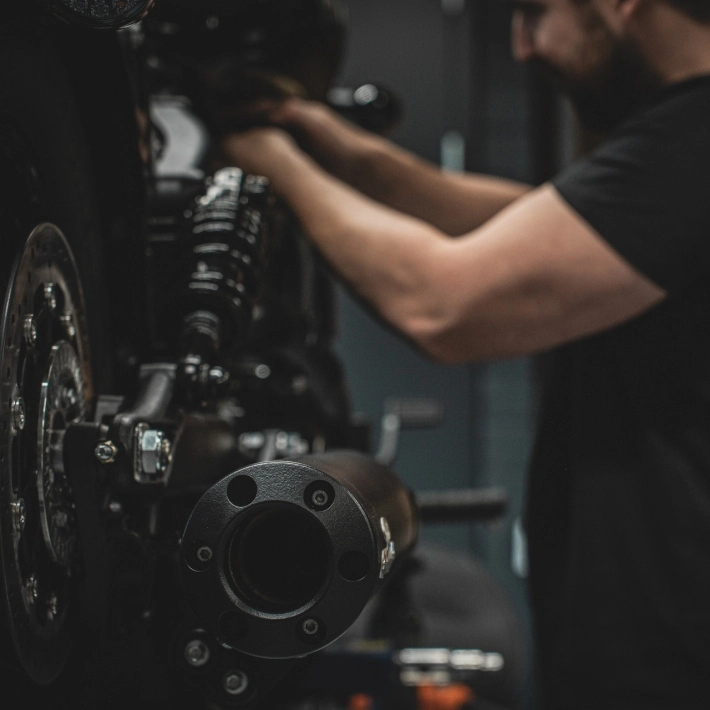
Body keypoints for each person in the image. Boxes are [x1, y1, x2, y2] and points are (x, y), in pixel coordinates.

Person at [223, 0, 710, 707]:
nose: (521, 45)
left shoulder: (695, 139)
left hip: (674, 649)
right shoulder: (680, 145)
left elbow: (443, 304)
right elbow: (507, 219)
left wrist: (265, 160)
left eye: (536, 12)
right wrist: (327, 143)